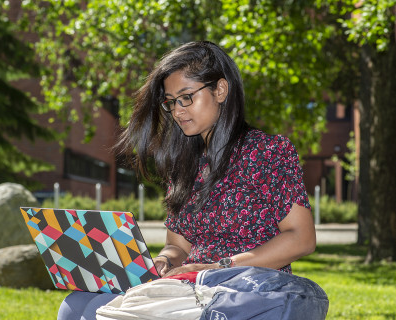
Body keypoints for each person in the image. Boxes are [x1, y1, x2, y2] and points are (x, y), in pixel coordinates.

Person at [57, 40, 317, 320]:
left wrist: (219, 266)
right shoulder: (184, 166)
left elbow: (301, 238)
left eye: (186, 97)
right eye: (171, 102)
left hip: (245, 290)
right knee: (75, 304)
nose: (178, 111)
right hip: (189, 286)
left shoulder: (268, 151)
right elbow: (179, 246)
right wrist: (162, 262)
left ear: (220, 90)